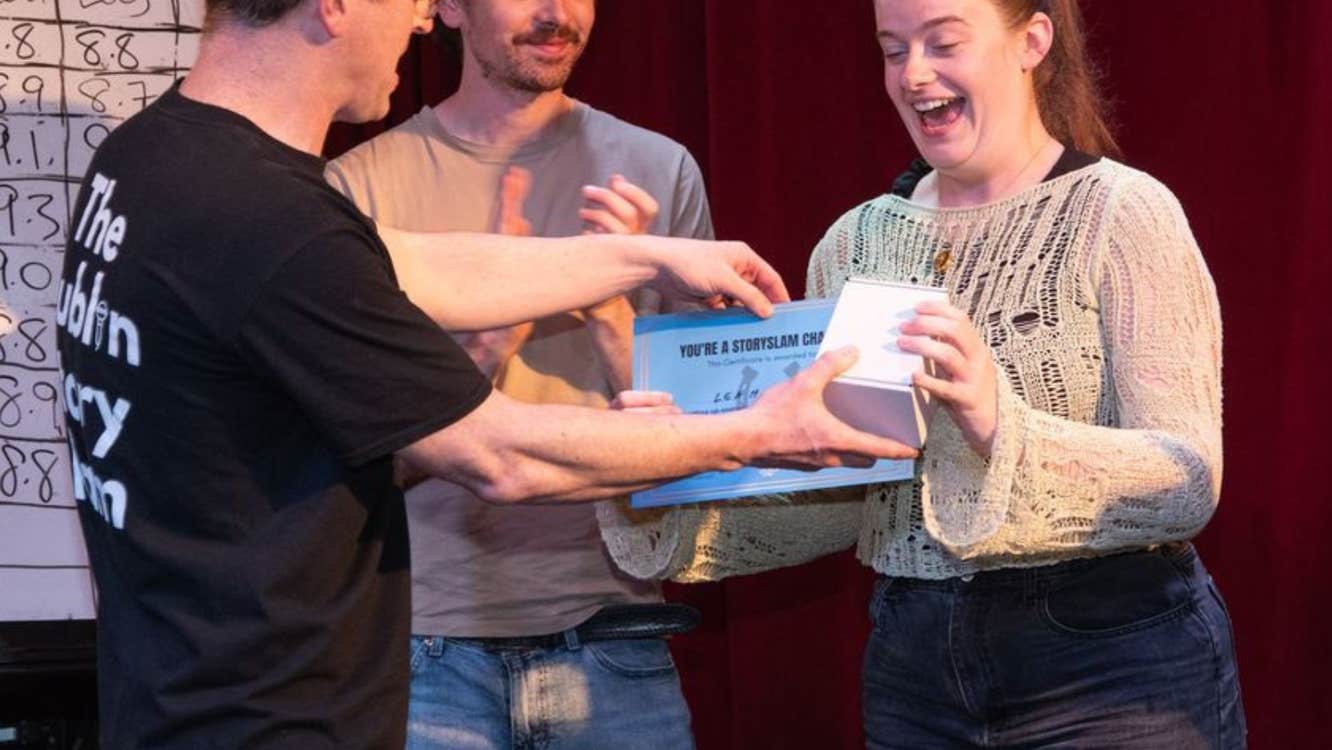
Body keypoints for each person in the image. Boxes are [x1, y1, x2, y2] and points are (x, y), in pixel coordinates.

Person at [54, 0, 919, 745]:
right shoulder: (263, 216)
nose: (425, 15)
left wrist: (642, 256)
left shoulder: (156, 158)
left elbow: (408, 265)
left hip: (177, 699)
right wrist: (763, 432)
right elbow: (501, 457)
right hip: (265, 716)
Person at [601, 0, 1246, 747]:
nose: (914, 75)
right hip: (915, 666)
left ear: (1032, 41)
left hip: (1110, 660)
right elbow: (851, 502)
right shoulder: (853, 243)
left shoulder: (1123, 212)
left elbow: (1189, 479)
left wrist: (1002, 423)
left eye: (943, 43)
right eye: (892, 49)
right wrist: (664, 469)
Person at [325, 1, 711, 747]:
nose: (555, 12)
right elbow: (347, 472)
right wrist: (487, 341)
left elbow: (701, 455)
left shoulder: (658, 170)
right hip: (423, 656)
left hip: (618, 637)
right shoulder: (357, 192)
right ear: (447, 9)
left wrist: (605, 301)